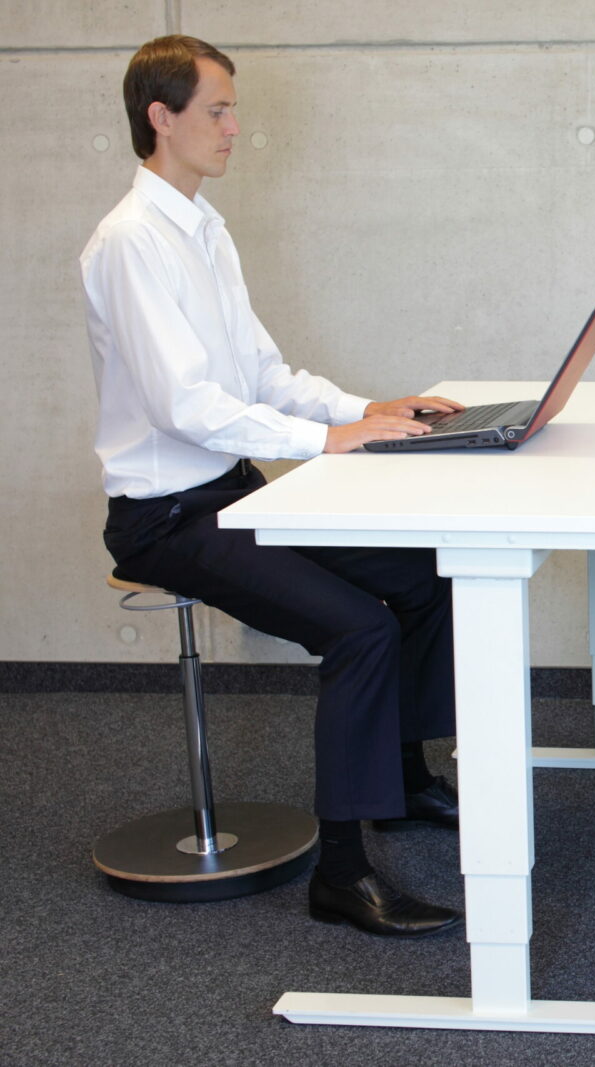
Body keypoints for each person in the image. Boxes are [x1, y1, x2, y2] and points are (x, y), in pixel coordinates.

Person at [82, 35, 469, 937]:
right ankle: (340, 873)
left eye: (233, 108)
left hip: (230, 489)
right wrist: (326, 440)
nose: (234, 127)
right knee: (359, 626)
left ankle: (401, 784)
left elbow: (261, 371)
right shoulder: (130, 244)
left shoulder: (205, 231)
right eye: (216, 110)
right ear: (160, 118)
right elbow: (186, 407)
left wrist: (367, 407)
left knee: (419, 574)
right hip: (163, 517)